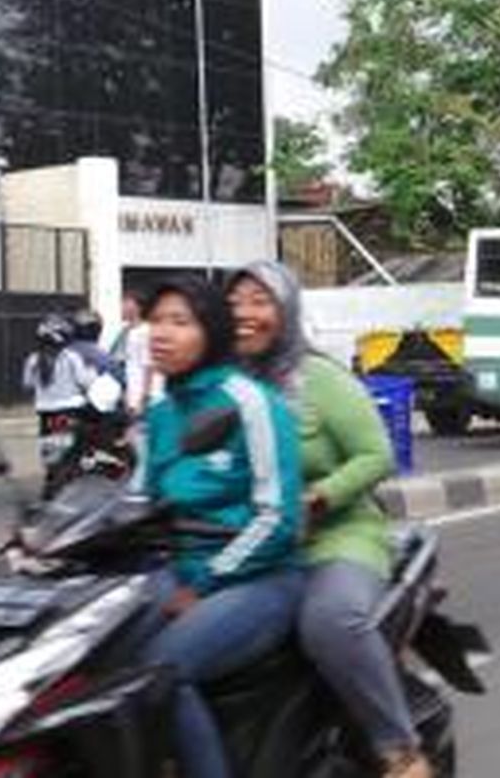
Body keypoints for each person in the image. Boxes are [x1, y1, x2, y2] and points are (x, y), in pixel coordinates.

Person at [226, 261, 431, 778]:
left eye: (259, 301)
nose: (244, 313)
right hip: (246, 544)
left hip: (336, 537)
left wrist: (318, 499)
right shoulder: (221, 384)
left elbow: (376, 454)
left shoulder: (318, 378)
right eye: (234, 303)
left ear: (287, 310)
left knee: (329, 621)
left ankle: (399, 750)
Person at [134, 274, 305, 778]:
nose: (160, 333)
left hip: (259, 579)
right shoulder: (162, 413)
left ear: (211, 332)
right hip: (180, 572)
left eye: (179, 322)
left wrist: (206, 582)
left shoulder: (250, 402)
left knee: (160, 671)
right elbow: (138, 503)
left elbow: (278, 518)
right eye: (155, 321)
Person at [22, 312, 98, 496]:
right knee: (85, 438)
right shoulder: (70, 357)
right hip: (71, 410)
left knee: (49, 448)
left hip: (45, 413)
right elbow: (86, 381)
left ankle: (52, 478)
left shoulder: (33, 360)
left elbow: (27, 385)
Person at [109, 288, 156, 416]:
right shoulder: (126, 331)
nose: (122, 307)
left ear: (137, 307)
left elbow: (149, 365)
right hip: (131, 394)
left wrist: (144, 397)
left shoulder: (145, 331)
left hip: (143, 397)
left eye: (125, 303)